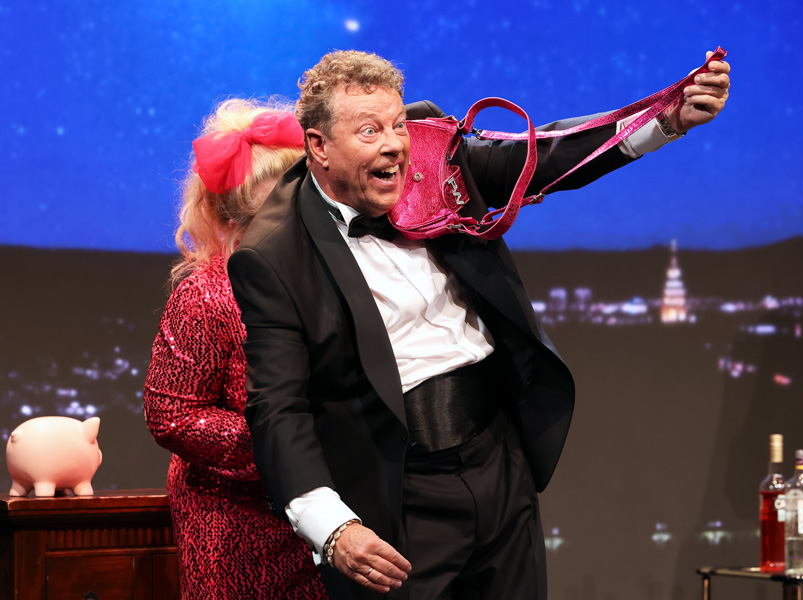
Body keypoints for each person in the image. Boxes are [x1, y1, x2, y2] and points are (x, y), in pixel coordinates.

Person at [227, 50, 730, 600]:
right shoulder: (273, 254)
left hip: (498, 459)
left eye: (397, 124)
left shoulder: (434, 155)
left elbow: (543, 157)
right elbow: (278, 406)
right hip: (398, 498)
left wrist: (663, 119)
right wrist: (333, 529)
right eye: (370, 131)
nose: (396, 144)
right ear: (318, 146)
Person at [143, 98, 328, 600]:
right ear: (237, 217)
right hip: (233, 519)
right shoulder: (206, 293)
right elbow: (172, 414)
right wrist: (282, 449)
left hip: (329, 511)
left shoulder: (329, 284)